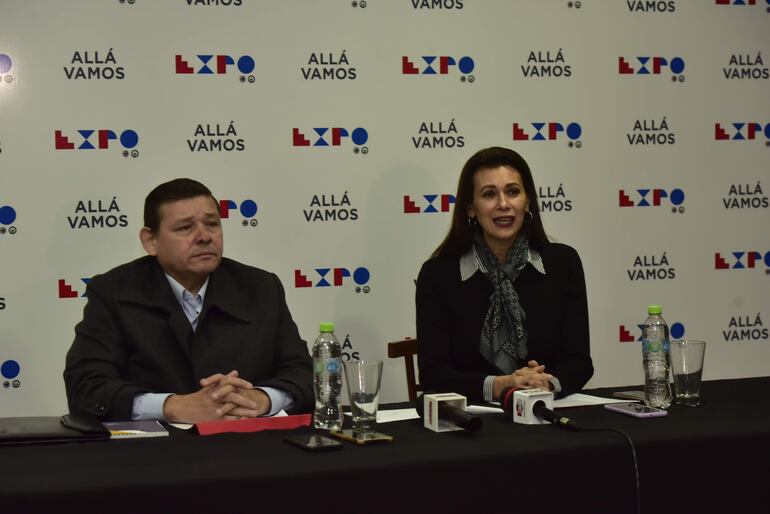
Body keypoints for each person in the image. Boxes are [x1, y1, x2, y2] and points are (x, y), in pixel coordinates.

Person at [64, 178, 313, 423]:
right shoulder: (114, 292)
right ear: (151, 241)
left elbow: (304, 374)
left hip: (249, 448)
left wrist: (262, 399)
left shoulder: (260, 287)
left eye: (212, 224)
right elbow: (86, 386)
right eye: (185, 228)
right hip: (151, 455)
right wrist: (173, 406)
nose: (204, 236)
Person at [416, 147, 593, 404]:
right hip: (472, 427)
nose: (503, 204)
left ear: (528, 201)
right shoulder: (438, 275)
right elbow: (434, 374)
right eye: (489, 194)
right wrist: (502, 386)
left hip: (546, 411)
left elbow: (578, 361)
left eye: (513, 192)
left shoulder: (563, 263)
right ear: (470, 208)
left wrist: (546, 383)